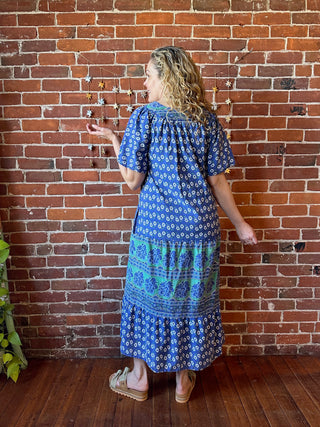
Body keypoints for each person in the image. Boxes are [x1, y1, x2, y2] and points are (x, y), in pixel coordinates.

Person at [86, 46, 257, 403]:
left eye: (149, 74)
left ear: (166, 78)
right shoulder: (206, 119)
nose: (144, 80)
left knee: (145, 300)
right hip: (199, 233)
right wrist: (240, 224)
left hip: (156, 233)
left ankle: (138, 379)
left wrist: (116, 142)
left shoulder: (144, 117)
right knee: (190, 303)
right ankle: (182, 383)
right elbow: (219, 182)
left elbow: (133, 180)